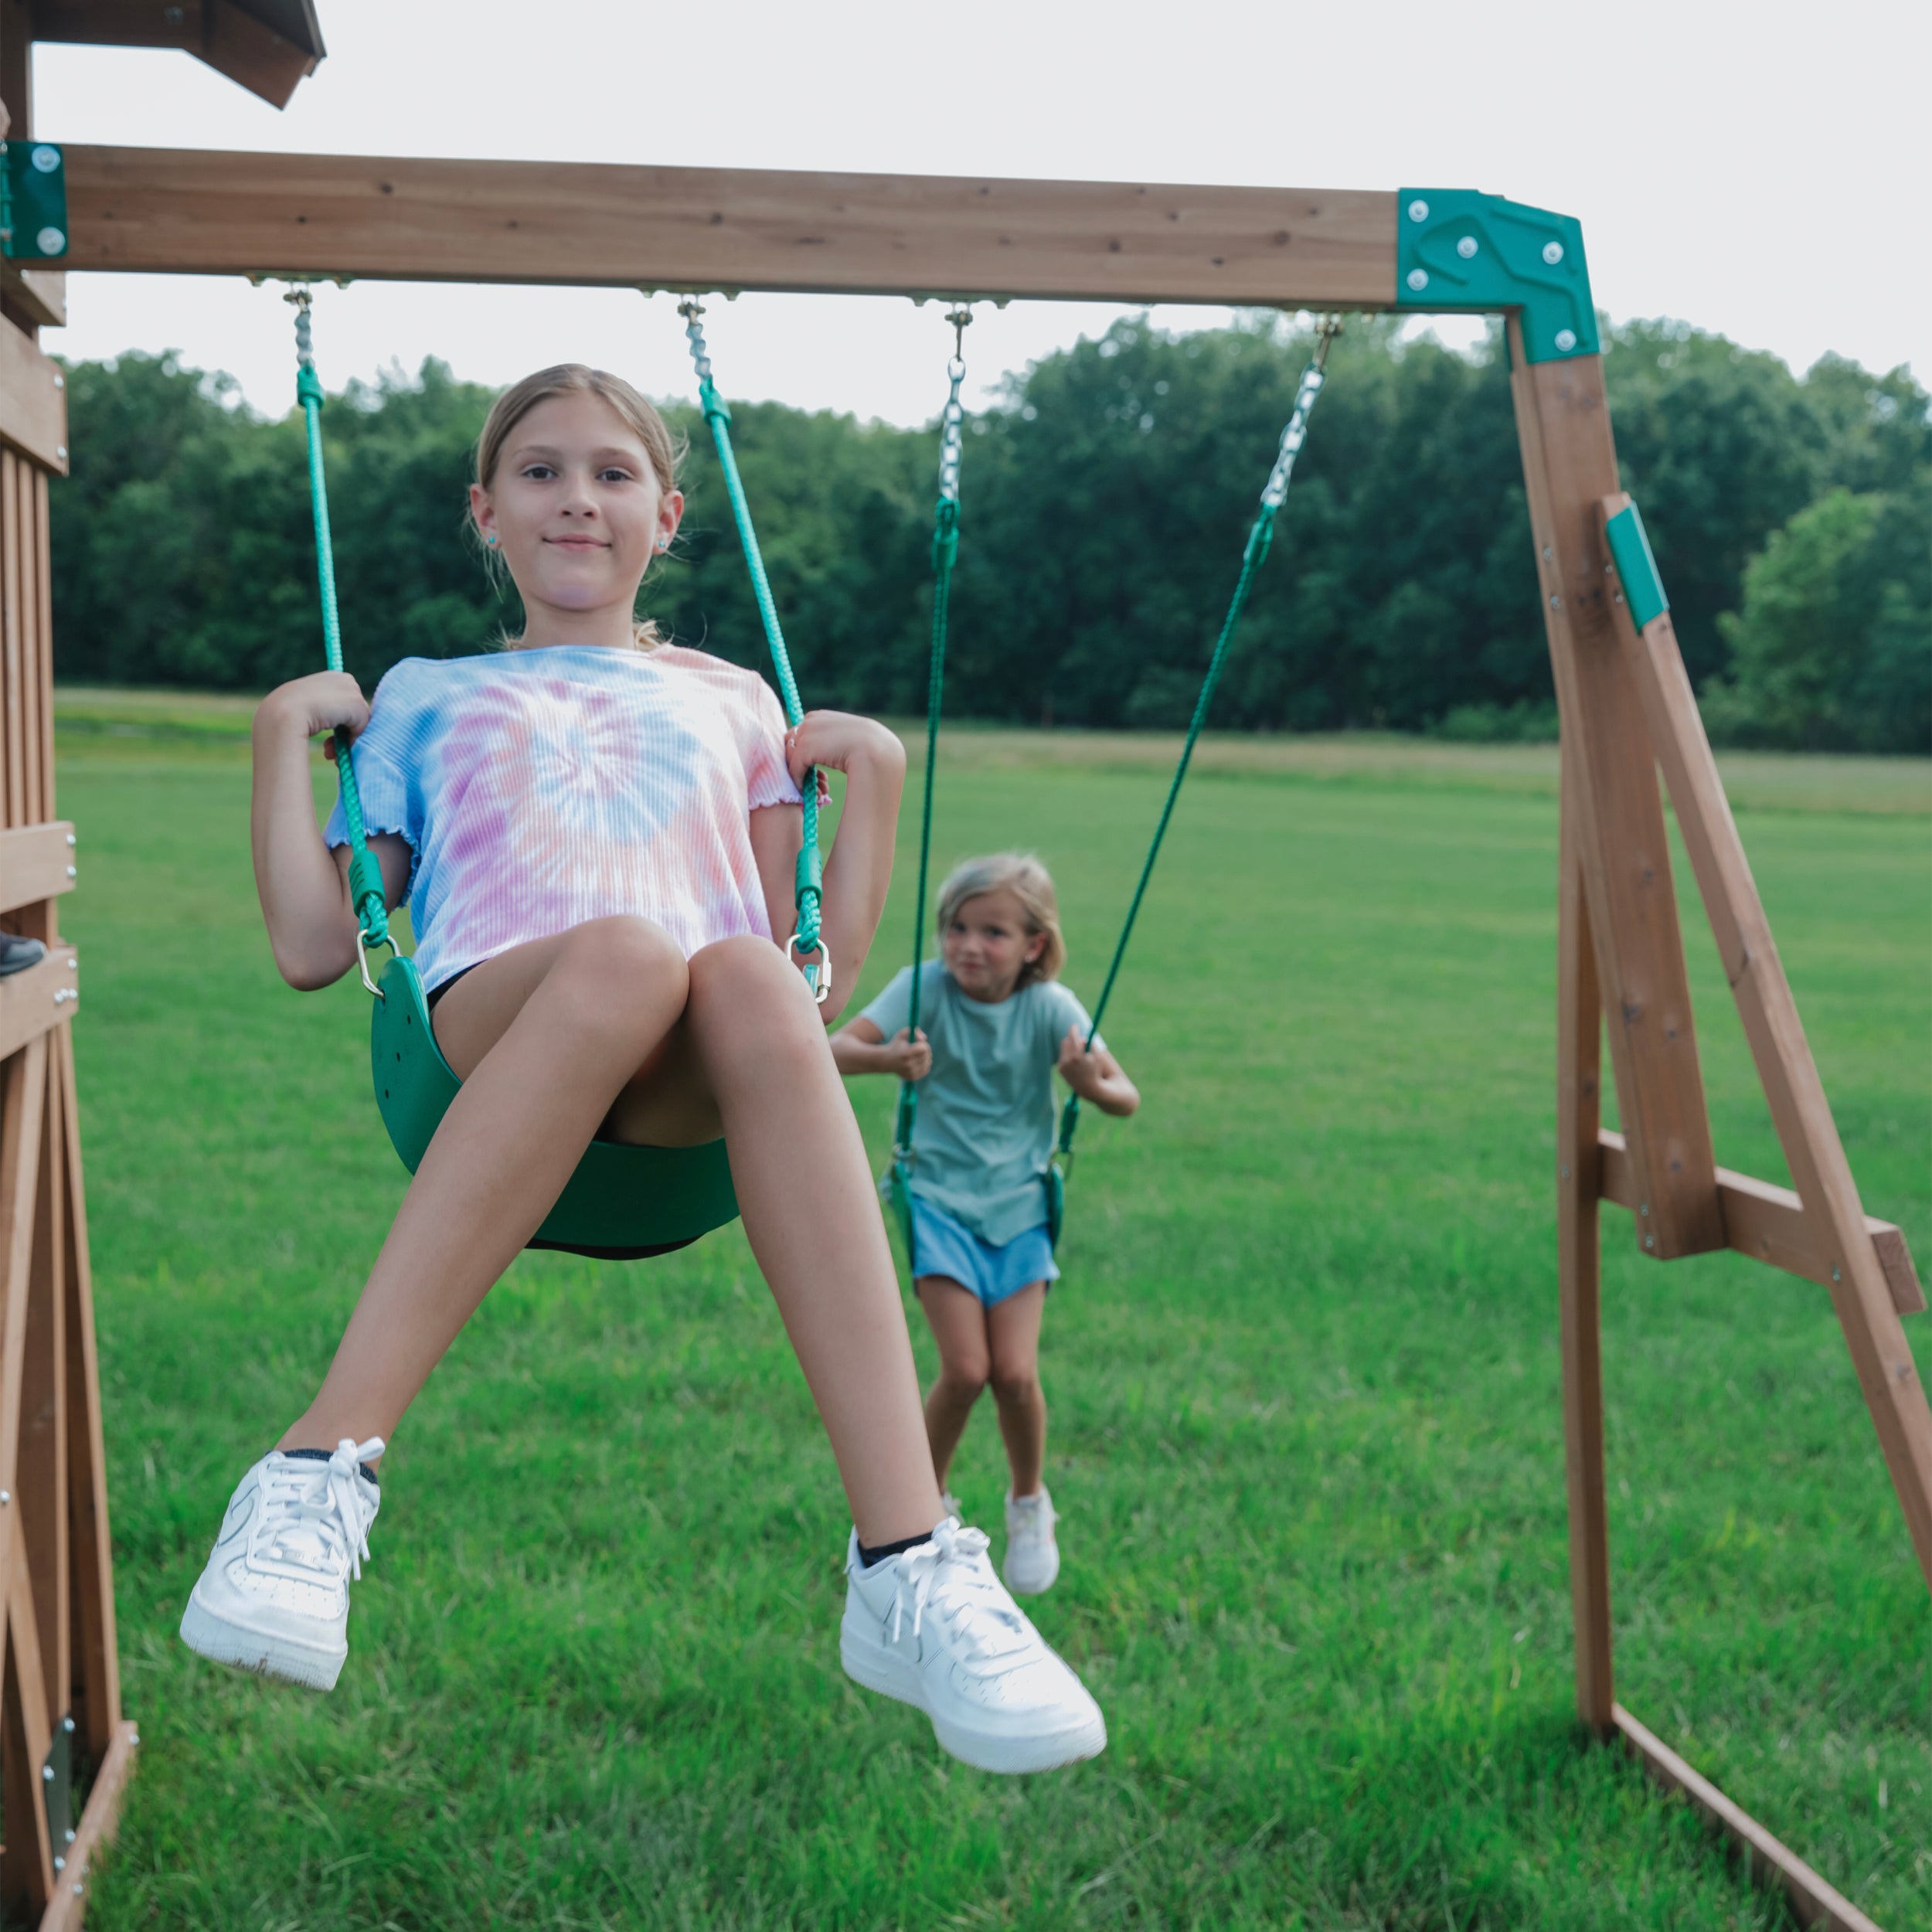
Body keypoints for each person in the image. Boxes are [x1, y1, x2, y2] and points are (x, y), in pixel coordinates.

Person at [179, 364, 1104, 1776]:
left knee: (731, 967)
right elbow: (318, 945)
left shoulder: (736, 701)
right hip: (494, 1038)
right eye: (540, 472)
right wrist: (274, 742)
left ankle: (907, 1562)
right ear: (484, 511)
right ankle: (313, 1472)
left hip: (689, 1100)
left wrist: (882, 787)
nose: (577, 499)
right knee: (619, 953)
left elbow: (809, 986)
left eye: (611, 473)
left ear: (668, 513)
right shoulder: (426, 698)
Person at [832, 854, 1138, 1595]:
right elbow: (833, 1046)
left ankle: (1029, 1501)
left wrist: (1086, 1082)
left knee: (1015, 1373)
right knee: (966, 1369)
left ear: (1034, 944)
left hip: (1020, 1206)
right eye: (957, 928)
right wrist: (887, 1061)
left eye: (993, 932)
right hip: (936, 1197)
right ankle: (921, 1514)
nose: (969, 945)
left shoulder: (1052, 1007)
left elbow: (1125, 1095)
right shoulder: (923, 988)